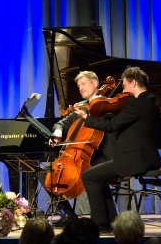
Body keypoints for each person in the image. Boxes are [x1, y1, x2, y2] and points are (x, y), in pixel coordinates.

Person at [78, 66, 161, 232]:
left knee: (88, 175)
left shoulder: (136, 105)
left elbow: (111, 125)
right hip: (146, 157)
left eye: (124, 85)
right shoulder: (151, 102)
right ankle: (110, 221)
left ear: (134, 83)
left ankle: (100, 223)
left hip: (133, 160)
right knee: (98, 176)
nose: (122, 89)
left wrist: (87, 117)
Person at [36, 71, 116, 226]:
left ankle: (103, 221)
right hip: (77, 156)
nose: (81, 89)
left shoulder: (107, 105)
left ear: (95, 84)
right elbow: (62, 122)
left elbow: (106, 127)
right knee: (44, 173)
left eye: (84, 84)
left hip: (100, 156)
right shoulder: (81, 107)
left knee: (92, 175)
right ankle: (69, 214)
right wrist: (58, 132)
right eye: (79, 86)